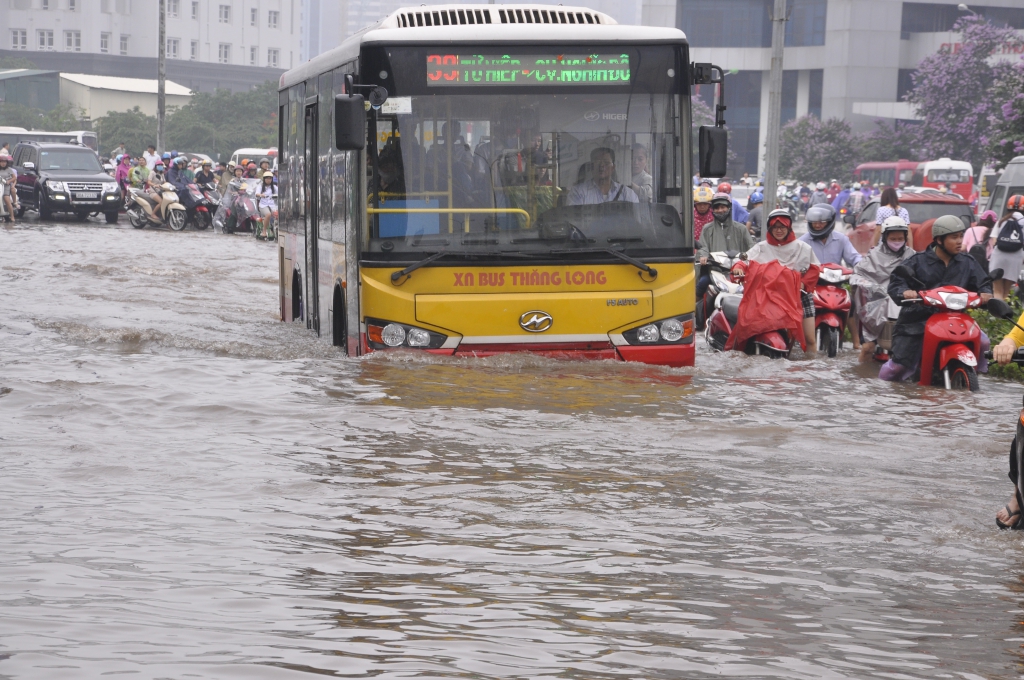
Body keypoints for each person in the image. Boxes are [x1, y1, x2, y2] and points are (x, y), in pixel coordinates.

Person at [880, 214, 993, 382]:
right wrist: (905, 292)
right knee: (899, 366)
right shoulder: (917, 261)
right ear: (939, 240)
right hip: (917, 321)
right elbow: (897, 283)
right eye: (954, 237)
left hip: (955, 319)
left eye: (961, 236)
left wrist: (985, 293)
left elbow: (983, 282)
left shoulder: (968, 262)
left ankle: (979, 373)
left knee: (983, 342)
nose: (959, 241)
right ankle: (880, 389)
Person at [746, 209, 820, 353]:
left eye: (782, 227)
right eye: (775, 227)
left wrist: (803, 283)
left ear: (788, 227)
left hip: (800, 296)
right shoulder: (761, 248)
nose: (779, 230)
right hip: (769, 297)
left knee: (810, 339)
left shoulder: (803, 247)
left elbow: (814, 269)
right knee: (753, 330)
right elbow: (744, 262)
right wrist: (738, 267)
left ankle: (810, 367)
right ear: (770, 228)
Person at [851, 217, 914, 362]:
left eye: (900, 238)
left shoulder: (912, 256)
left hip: (903, 308)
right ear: (885, 237)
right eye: (893, 238)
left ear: (905, 237)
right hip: (875, 309)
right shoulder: (873, 255)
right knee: (867, 348)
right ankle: (863, 375)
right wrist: (871, 287)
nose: (897, 241)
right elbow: (857, 275)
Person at [696, 192, 754, 301]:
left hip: (738, 272)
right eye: (716, 208)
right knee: (701, 283)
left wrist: (747, 261)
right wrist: (703, 256)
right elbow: (703, 246)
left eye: (723, 207)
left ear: (729, 208)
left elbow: (752, 249)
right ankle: (696, 313)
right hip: (715, 271)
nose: (720, 210)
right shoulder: (707, 229)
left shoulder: (741, 229)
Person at [566, 147, 639, 205]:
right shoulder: (577, 193)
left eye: (606, 163)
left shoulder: (627, 194)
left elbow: (635, 221)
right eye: (597, 162)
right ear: (592, 167)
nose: (602, 166)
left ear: (613, 168)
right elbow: (574, 221)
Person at [799, 203, 862, 268]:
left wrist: (861, 266)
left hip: (836, 277)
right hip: (812, 277)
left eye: (822, 222)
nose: (817, 225)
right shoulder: (802, 242)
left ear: (830, 222)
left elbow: (854, 257)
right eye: (814, 222)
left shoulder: (841, 239)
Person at [988, 196, 1024, 300]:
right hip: (1016, 258)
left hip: (999, 256)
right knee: (1006, 290)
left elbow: (994, 240)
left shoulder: (1002, 221)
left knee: (997, 289)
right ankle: (1003, 313)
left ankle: (996, 314)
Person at [255, 172, 278, 239]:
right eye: (267, 178)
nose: (269, 180)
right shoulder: (260, 186)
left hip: (272, 205)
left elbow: (280, 192)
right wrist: (261, 195)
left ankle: (275, 230)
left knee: (278, 215)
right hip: (263, 205)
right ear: (264, 179)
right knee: (268, 214)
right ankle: (264, 231)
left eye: (270, 178)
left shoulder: (274, 187)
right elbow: (257, 194)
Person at [0, 153, 17, 223]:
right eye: (1, 162)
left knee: (7, 200)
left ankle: (12, 216)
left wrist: (9, 181)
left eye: (5, 162)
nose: (3, 163)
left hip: (6, 186)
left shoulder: (9, 170)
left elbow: (14, 178)